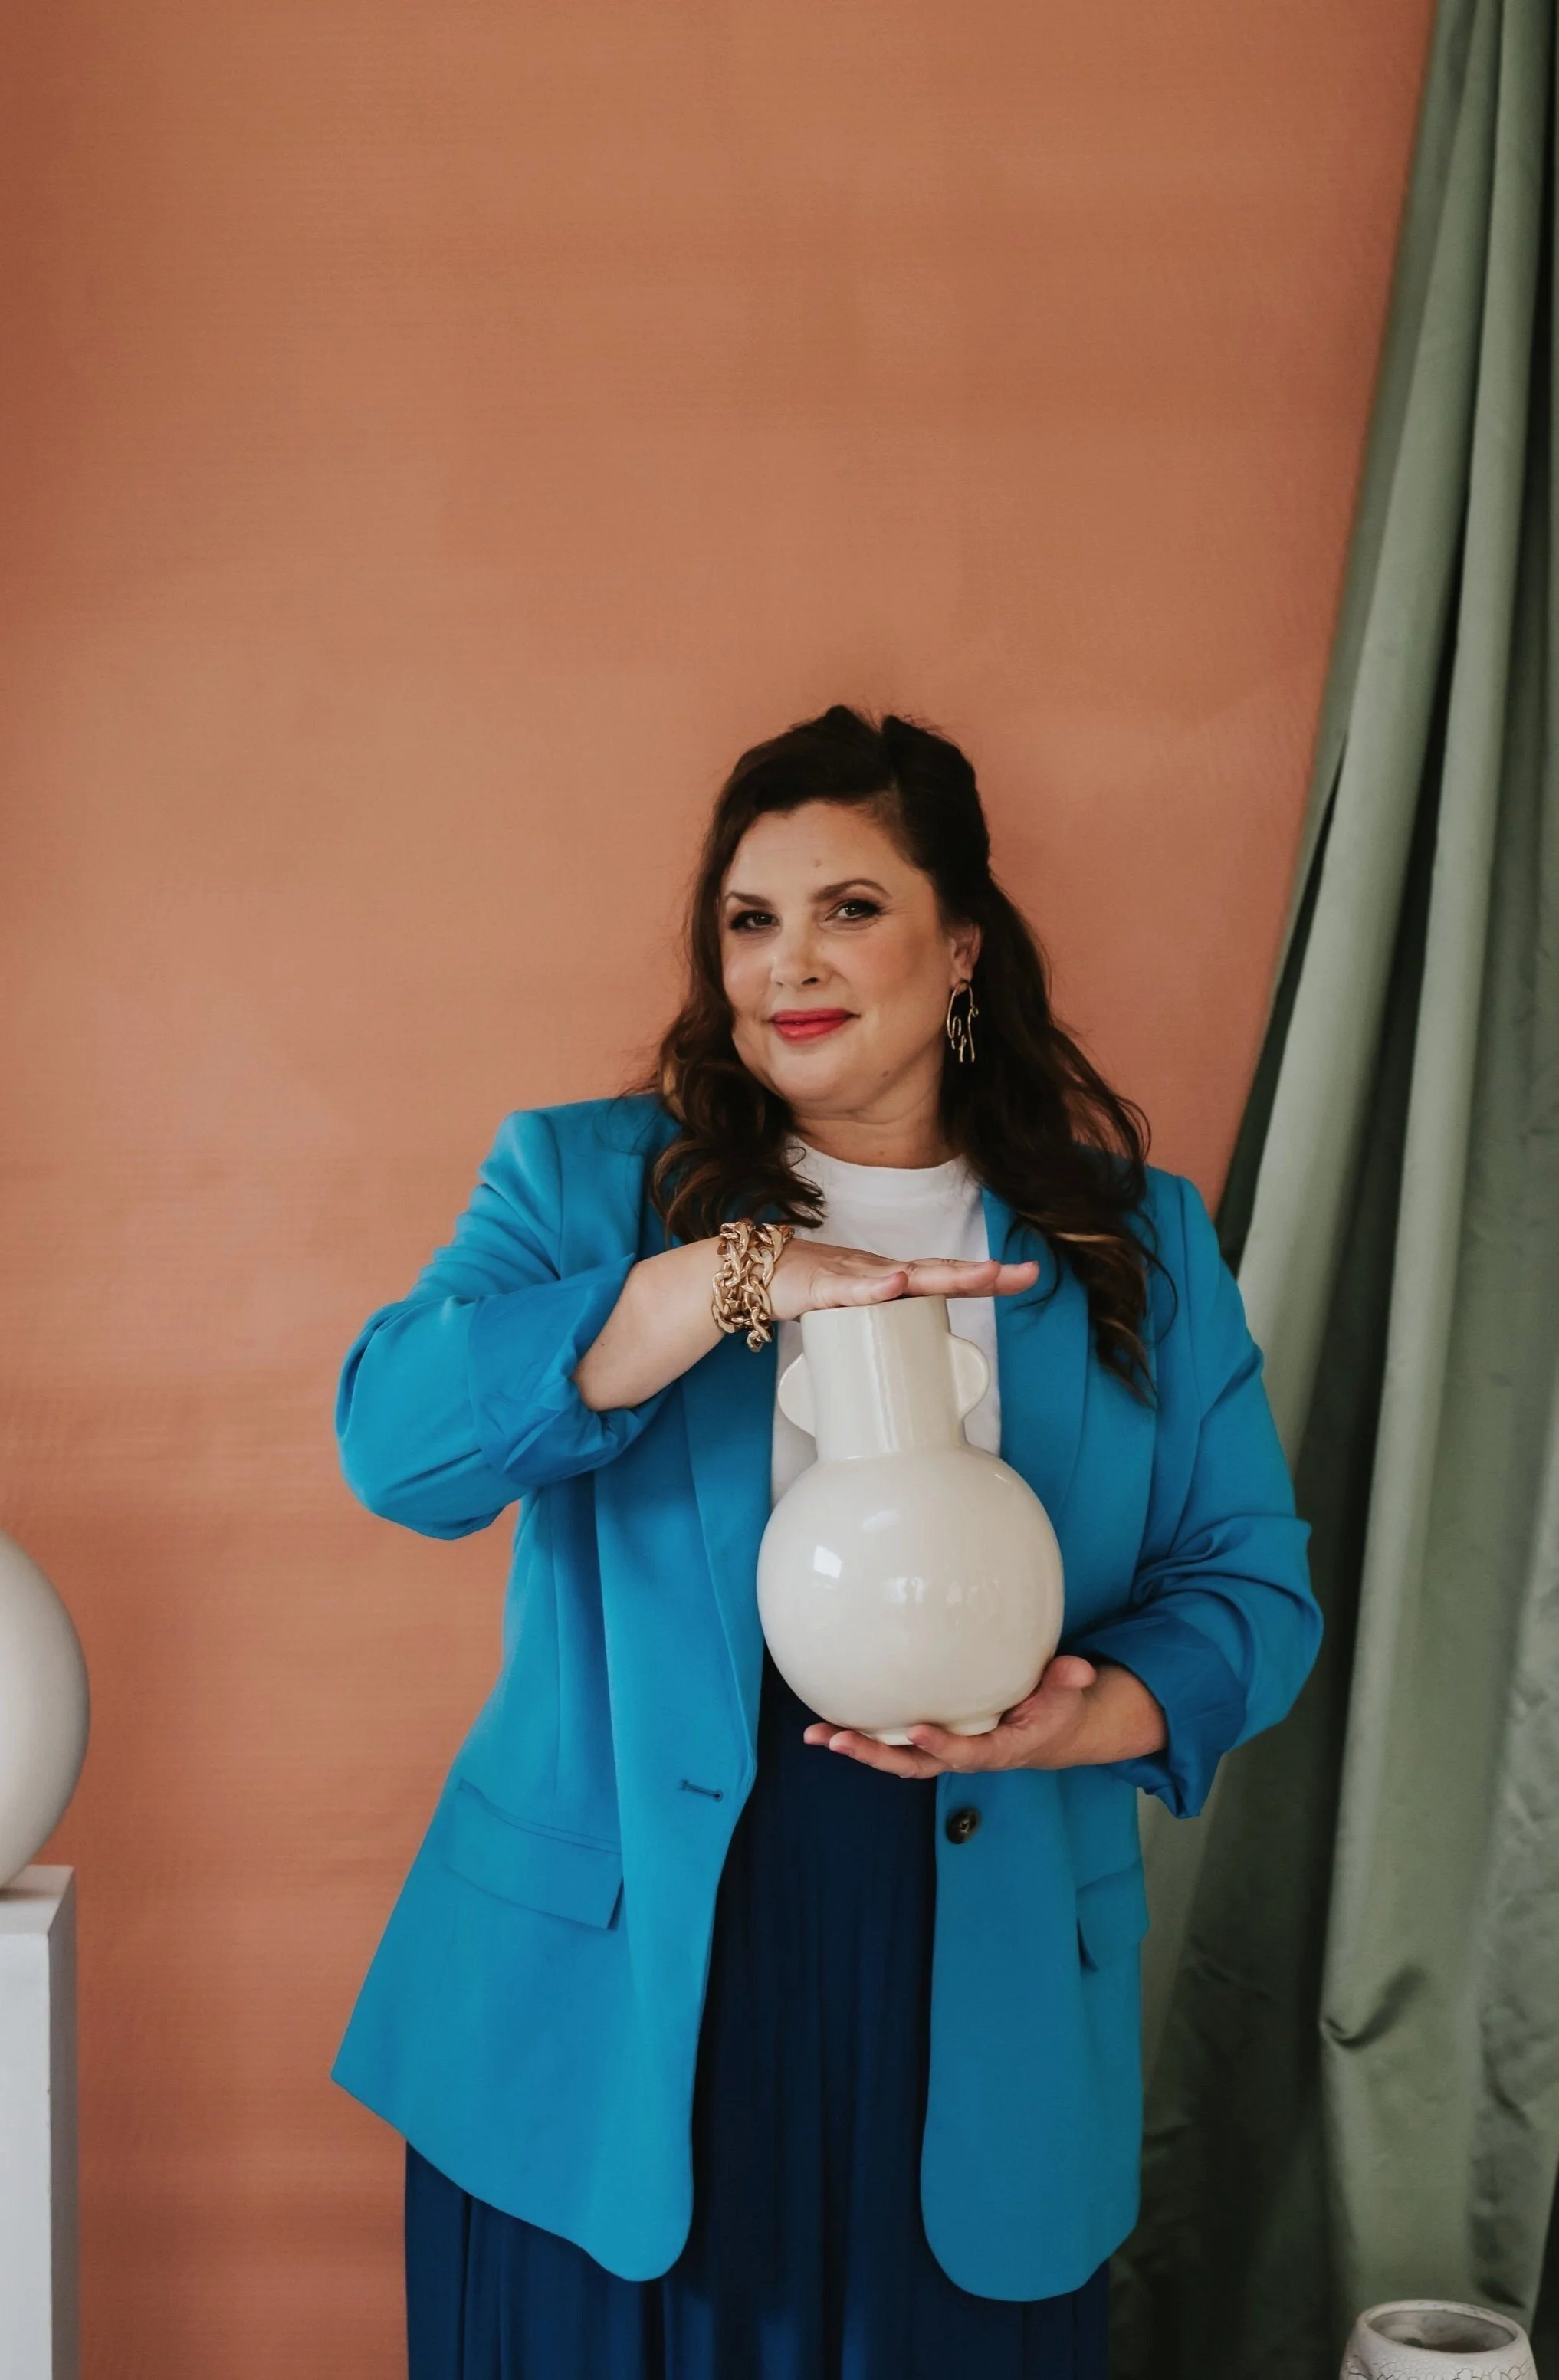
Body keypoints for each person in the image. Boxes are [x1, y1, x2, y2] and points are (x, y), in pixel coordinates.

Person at [331, 704, 1320, 2380]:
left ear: (962, 948)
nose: (788, 961)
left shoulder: (1136, 1240)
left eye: (849, 907)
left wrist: (1090, 1716)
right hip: (613, 2001)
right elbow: (397, 1445)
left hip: (981, 1976)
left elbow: (1254, 1592)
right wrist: (723, 1282)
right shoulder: (584, 1182)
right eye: (750, 918)